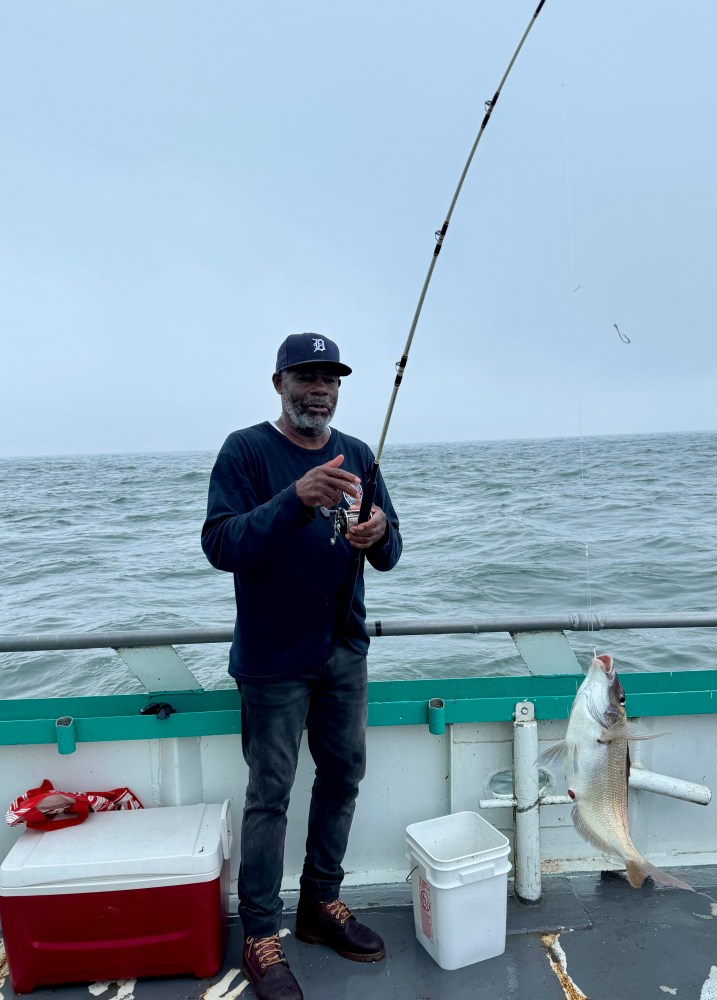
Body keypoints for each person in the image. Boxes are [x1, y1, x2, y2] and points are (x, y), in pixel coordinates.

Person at [201, 333, 402, 1000]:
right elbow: (222, 544)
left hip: (343, 652)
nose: (319, 387)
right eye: (306, 376)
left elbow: (391, 549)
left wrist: (376, 534)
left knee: (344, 775)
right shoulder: (246, 451)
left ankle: (320, 904)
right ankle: (261, 932)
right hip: (272, 659)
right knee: (270, 795)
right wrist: (297, 498)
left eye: (330, 377)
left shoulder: (362, 454)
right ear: (279, 382)